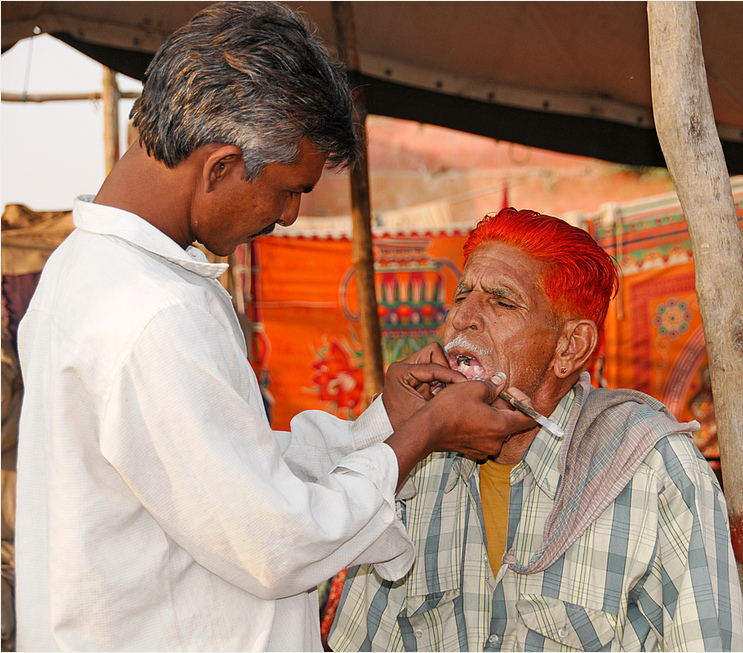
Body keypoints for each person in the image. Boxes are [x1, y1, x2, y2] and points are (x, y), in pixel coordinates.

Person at [14, 3, 533, 650]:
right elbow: (277, 538)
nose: (289, 216)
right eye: (289, 189)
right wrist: (428, 431)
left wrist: (381, 421)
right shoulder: (152, 315)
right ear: (221, 166)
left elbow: (231, 478)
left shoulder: (90, 272)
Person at [329, 208, 743, 651]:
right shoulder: (414, 457)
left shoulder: (654, 469)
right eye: (462, 295)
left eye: (502, 301)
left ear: (570, 347)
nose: (463, 319)